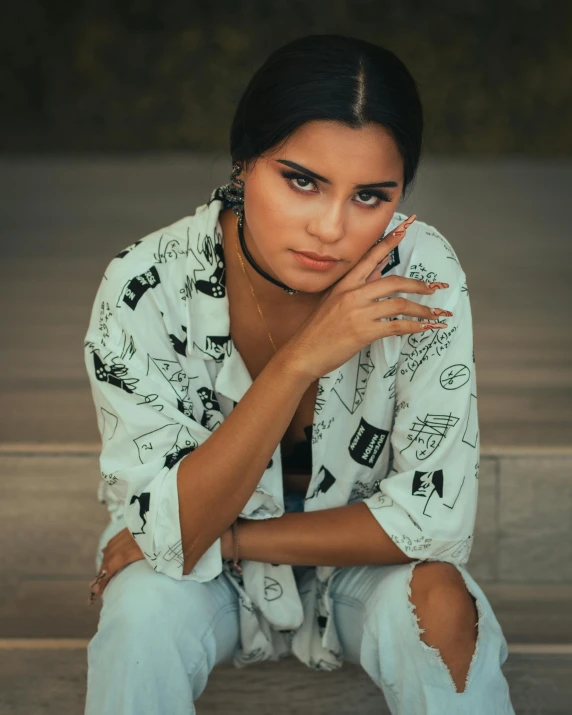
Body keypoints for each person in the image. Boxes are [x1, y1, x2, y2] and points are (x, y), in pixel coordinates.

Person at [83, 34, 515, 715]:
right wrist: (300, 360)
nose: (331, 227)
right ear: (243, 160)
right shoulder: (146, 284)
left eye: (370, 196)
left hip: (357, 570)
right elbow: (171, 535)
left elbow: (434, 522)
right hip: (199, 576)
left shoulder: (422, 273)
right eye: (302, 180)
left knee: (443, 599)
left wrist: (238, 537)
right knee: (137, 612)